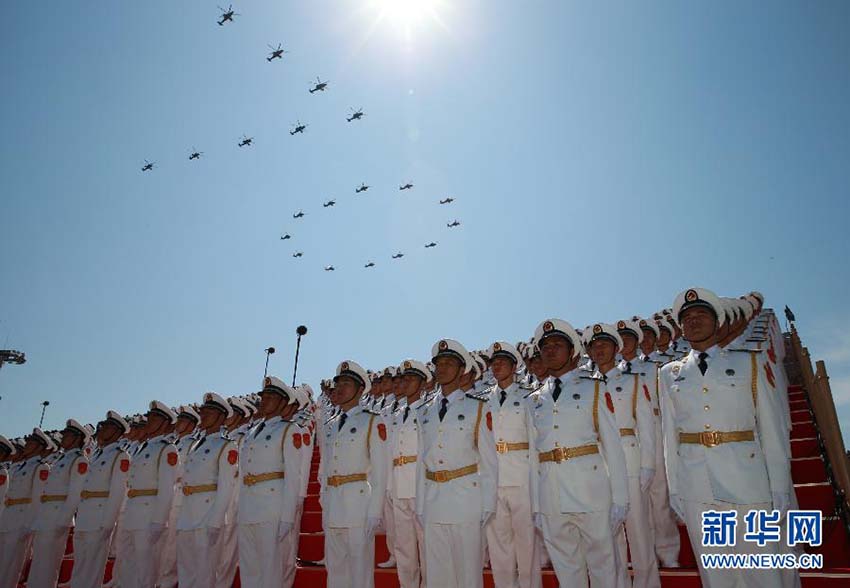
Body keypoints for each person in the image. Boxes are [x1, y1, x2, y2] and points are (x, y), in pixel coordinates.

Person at [659, 287, 795, 588]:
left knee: (762, 570)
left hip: (747, 479)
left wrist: (780, 486)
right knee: (716, 573)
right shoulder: (669, 373)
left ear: (717, 320)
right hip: (697, 484)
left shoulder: (751, 362)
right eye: (687, 318)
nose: (694, 321)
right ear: (681, 327)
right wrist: (675, 488)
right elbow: (670, 436)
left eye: (701, 315)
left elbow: (770, 429)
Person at [528, 319, 629, 588]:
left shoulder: (594, 388)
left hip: (590, 491)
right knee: (567, 570)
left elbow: (613, 446)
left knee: (603, 567)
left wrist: (620, 496)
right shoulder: (534, 400)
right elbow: (532, 458)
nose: (549, 350)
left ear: (573, 352)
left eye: (557, 345)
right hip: (551, 495)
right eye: (545, 347)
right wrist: (536, 505)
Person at [415, 339, 498, 588]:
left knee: (467, 574)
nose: (442, 368)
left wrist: (488, 503)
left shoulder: (478, 407)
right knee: (437, 574)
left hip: (466, 498)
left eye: (449, 363)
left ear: (462, 369)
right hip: (433, 499)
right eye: (439, 363)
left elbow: (489, 460)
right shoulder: (424, 411)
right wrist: (420, 503)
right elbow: (421, 460)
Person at [590, 322, 660, 588]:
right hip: (598, 465)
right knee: (608, 537)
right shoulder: (586, 386)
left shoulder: (632, 381)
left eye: (604, 344)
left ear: (616, 349)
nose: (599, 350)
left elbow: (646, 425)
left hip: (629, 461)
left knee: (638, 533)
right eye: (594, 346)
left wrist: (648, 465)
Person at [322, 360, 388, 588]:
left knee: (360, 573)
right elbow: (325, 466)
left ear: (361, 390)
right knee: (336, 570)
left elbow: (380, 470)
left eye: (347, 383)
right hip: (333, 504)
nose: (340, 388)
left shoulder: (372, 420)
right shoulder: (329, 424)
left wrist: (374, 511)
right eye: (338, 383)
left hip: (358, 503)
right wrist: (323, 499)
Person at [483, 341, 542, 588]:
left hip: (521, 477)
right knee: (499, 547)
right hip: (494, 479)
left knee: (527, 544)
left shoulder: (529, 395)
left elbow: (535, 441)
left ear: (515, 366)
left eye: (502, 362)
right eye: (493, 363)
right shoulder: (483, 400)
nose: (497, 366)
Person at [237, 376, 304, 588]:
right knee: (249, 570)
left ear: (283, 402)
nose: (264, 400)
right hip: (248, 508)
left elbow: (294, 477)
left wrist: (287, 517)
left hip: (271, 508)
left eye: (270, 397)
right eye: (263, 396)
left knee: (269, 571)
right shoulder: (252, 432)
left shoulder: (288, 430)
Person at [176, 393, 239, 587]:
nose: (202, 416)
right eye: (202, 412)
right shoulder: (195, 445)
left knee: (205, 573)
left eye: (208, 413)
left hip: (208, 513)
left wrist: (216, 520)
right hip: (188, 513)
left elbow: (226, 486)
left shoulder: (226, 446)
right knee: (186, 570)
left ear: (221, 417)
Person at [117, 401, 180, 588]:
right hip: (132, 513)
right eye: (150, 417)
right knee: (127, 565)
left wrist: (159, 521)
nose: (149, 421)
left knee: (146, 570)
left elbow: (167, 487)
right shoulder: (141, 447)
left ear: (164, 422)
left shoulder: (166, 449)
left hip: (149, 514)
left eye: (155, 418)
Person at [71, 411, 132, 588]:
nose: (102, 430)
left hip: (100, 516)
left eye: (106, 427)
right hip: (85, 516)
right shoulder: (97, 455)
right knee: (80, 566)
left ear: (116, 431)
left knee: (91, 569)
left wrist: (107, 523)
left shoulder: (119, 456)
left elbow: (117, 491)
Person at [28, 419, 91, 588]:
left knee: (48, 566)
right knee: (38, 564)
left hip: (57, 516)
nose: (64, 437)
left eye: (68, 434)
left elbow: (74, 494)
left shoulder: (79, 460)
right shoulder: (62, 459)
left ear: (77, 438)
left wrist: (63, 522)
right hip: (46, 515)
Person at [387, 359, 431, 588]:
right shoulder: (396, 413)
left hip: (419, 484)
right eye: (404, 379)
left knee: (425, 544)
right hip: (398, 484)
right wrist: (388, 486)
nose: (406, 383)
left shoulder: (429, 410)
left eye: (412, 378)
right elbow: (390, 451)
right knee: (404, 546)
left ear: (423, 384)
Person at [0, 429, 51, 588]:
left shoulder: (40, 468)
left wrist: (29, 524)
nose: (27, 445)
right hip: (8, 516)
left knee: (11, 563)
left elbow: (37, 498)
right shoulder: (21, 466)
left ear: (39, 447)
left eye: (31, 443)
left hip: (21, 520)